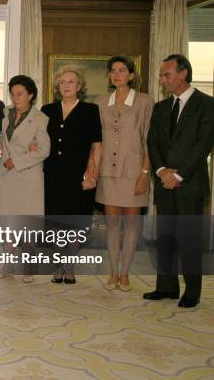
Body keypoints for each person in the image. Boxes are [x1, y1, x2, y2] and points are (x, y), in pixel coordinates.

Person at [144, 54, 214, 309]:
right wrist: (162, 171)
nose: (163, 80)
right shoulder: (161, 107)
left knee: (190, 238)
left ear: (183, 74)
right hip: (164, 183)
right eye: (162, 76)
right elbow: (152, 142)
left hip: (190, 184)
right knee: (166, 237)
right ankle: (166, 286)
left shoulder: (207, 104)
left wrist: (178, 174)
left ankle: (192, 291)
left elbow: (203, 144)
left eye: (166, 75)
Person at [95, 56, 154, 292]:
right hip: (108, 171)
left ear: (131, 75)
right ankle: (113, 272)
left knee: (131, 224)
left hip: (134, 171)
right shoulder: (101, 102)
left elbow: (151, 141)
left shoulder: (145, 102)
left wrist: (145, 173)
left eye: (121, 70)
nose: (116, 74)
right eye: (113, 71)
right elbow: (97, 141)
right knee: (112, 224)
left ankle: (126, 273)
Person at [41, 66, 102, 285]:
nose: (66, 86)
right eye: (62, 82)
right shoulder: (47, 110)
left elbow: (97, 146)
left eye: (71, 82)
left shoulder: (90, 110)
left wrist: (92, 174)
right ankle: (59, 265)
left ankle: (70, 266)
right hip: (52, 176)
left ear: (79, 86)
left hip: (79, 176)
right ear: (57, 86)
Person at [0, 75, 50, 282]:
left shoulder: (40, 119)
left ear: (31, 95)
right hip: (6, 177)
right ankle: (7, 263)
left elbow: (44, 150)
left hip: (27, 177)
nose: (15, 98)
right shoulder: (6, 113)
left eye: (20, 94)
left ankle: (28, 267)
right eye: (13, 94)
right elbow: (5, 136)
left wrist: (15, 161)